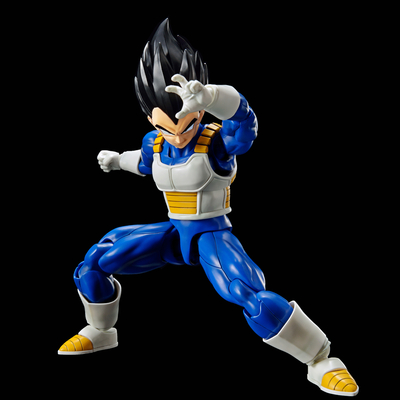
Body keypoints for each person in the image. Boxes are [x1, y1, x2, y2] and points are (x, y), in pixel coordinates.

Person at [58, 19, 358, 397]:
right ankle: (101, 331)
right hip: (172, 233)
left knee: (248, 294)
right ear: (151, 118)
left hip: (211, 234)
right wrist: (118, 160)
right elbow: (145, 162)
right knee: (94, 262)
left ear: (199, 113)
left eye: (187, 123)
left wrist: (213, 96)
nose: (177, 134)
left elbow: (245, 123)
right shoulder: (155, 142)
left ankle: (320, 359)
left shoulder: (215, 142)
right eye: (166, 126)